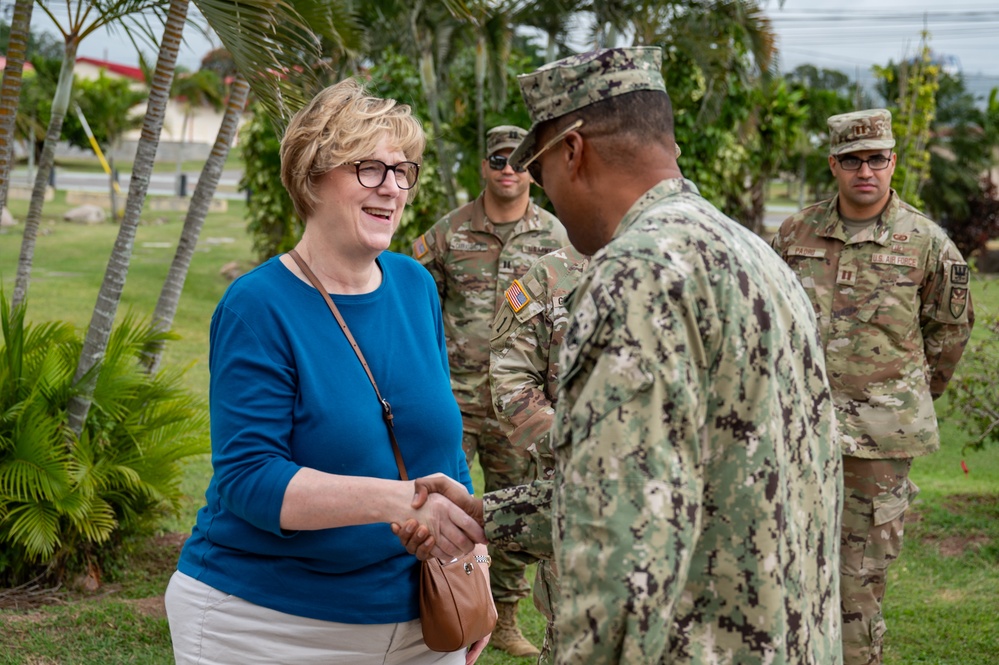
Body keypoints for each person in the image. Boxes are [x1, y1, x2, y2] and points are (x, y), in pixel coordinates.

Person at [397, 46, 844, 664]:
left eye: (541, 167)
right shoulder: (754, 255)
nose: (544, 192)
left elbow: (622, 551)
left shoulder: (635, 274)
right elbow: (689, 480)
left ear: (572, 152)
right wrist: (489, 515)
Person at [164, 78, 489, 665]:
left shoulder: (415, 285)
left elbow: (445, 450)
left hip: (420, 621)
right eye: (369, 168)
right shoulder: (257, 307)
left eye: (403, 170)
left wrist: (471, 562)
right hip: (267, 625)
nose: (392, 188)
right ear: (312, 177)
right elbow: (250, 479)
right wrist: (404, 504)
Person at [770, 108, 974, 665]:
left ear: (893, 162)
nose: (867, 170)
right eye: (853, 160)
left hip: (881, 441)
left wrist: (906, 397)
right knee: (788, 566)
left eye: (877, 158)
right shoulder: (794, 233)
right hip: (799, 433)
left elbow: (948, 330)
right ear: (834, 164)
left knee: (858, 582)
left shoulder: (926, 243)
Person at [412, 125, 568, 657]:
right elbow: (411, 295)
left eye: (519, 161)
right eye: (498, 160)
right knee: (433, 503)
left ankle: (502, 618)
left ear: (533, 169)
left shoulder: (556, 236)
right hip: (452, 398)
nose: (508, 170)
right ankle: (433, 602)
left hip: (521, 405)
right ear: (484, 166)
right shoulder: (450, 231)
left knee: (513, 508)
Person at [488, 245, 588, 662]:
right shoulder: (553, 273)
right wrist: (582, 449)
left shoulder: (692, 261)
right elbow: (510, 378)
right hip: (573, 499)